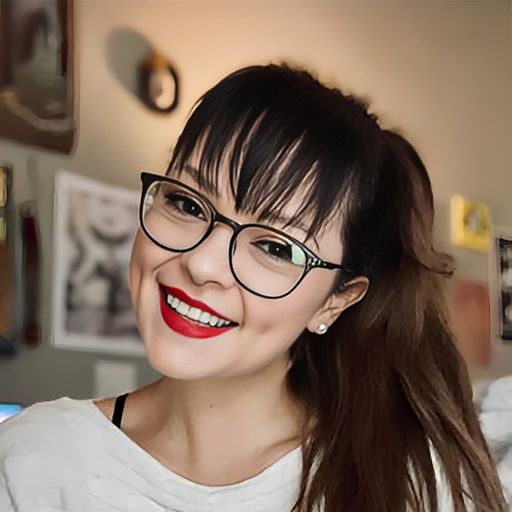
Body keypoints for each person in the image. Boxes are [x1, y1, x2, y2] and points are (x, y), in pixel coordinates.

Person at [0, 64, 507, 512]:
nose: (201, 264)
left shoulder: (410, 485)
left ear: (336, 301)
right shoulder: (33, 461)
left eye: (275, 247)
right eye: (187, 204)